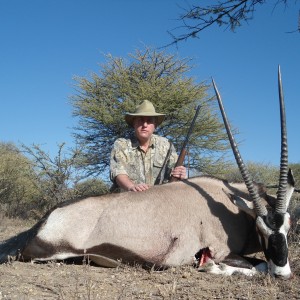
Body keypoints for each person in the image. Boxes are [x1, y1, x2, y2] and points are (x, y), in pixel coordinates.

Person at [110, 100, 187, 192]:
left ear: (155, 125)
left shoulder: (167, 145)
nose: (145, 125)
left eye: (149, 121)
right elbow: (118, 173)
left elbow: (174, 171)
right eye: (140, 120)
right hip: (128, 199)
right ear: (134, 124)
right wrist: (131, 187)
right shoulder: (121, 144)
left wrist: (181, 174)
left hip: (159, 199)